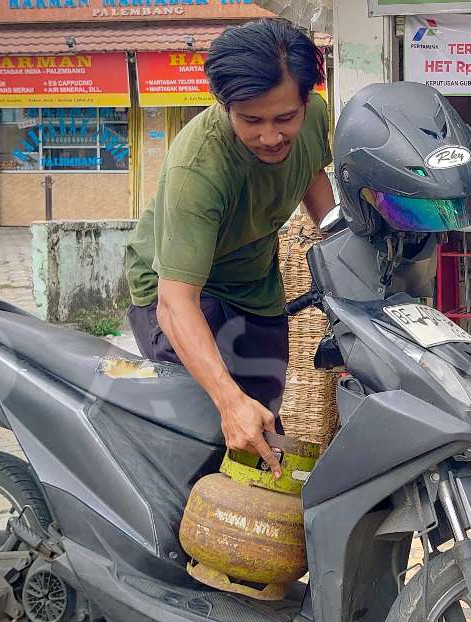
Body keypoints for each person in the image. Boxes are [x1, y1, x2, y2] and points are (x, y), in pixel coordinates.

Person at [123, 18, 335, 471]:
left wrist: (343, 256)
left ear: (306, 100)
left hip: (254, 284)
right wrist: (226, 399)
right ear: (225, 106)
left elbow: (312, 176)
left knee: (262, 430)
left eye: (285, 118)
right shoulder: (199, 167)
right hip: (176, 289)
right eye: (251, 121)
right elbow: (175, 303)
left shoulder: (316, 117)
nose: (271, 137)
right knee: (203, 434)